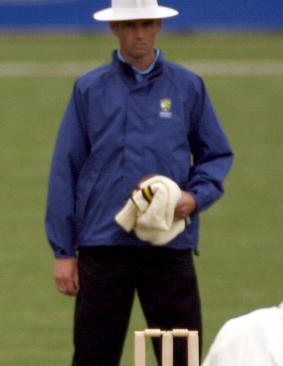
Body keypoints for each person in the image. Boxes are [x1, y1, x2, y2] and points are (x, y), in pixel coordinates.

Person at [44, 0, 233, 365]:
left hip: (169, 240)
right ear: (114, 28)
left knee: (180, 355)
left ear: (159, 25)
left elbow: (216, 155)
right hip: (102, 244)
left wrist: (194, 198)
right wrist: (64, 252)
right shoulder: (89, 89)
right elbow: (65, 169)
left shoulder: (188, 87)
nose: (139, 33)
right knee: (93, 356)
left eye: (147, 23)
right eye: (130, 25)